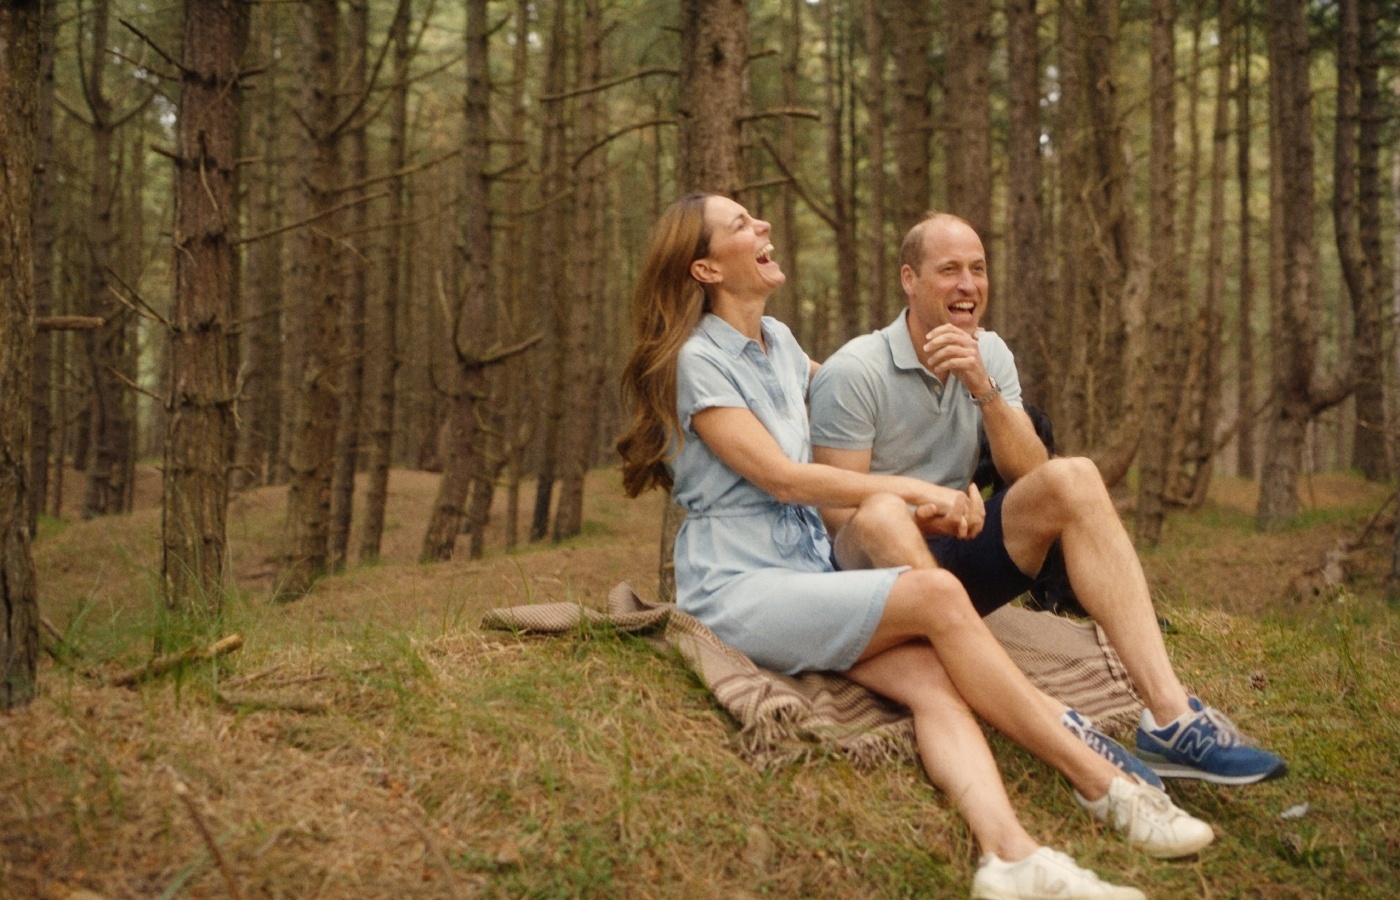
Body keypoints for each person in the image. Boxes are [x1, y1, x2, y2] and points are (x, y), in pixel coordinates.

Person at [618, 193, 1215, 900]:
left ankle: (1011, 857)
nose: (763, 226)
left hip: (811, 575)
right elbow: (780, 478)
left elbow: (848, 392)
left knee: (934, 681)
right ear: (705, 267)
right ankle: (1101, 779)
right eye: (742, 224)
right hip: (739, 585)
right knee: (935, 594)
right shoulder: (696, 362)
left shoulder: (778, 344)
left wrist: (954, 470)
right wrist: (915, 492)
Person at [808, 211, 1288, 787]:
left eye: (978, 270)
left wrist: (982, 387)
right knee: (883, 515)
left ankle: (1170, 717)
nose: (968, 285)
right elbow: (836, 515)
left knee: (1075, 477)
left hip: (958, 555)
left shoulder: (993, 355)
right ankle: (1046, 717)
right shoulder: (855, 371)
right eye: (949, 270)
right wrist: (922, 514)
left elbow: (1031, 475)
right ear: (910, 280)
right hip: (876, 579)